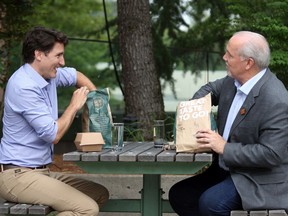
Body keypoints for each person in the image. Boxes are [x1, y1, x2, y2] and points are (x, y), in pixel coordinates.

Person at [169, 31, 288, 216]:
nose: (224, 57)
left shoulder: (276, 98)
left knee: (210, 203)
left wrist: (224, 147)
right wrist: (195, 114)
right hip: (227, 169)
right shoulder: (233, 81)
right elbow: (209, 90)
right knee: (180, 195)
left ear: (248, 63)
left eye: (230, 55)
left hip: (258, 178)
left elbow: (271, 154)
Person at [0, 26, 109, 215]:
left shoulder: (49, 75)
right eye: (58, 56)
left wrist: (96, 103)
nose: (62, 62)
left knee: (98, 194)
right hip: (17, 176)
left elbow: (77, 76)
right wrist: (74, 106)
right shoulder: (23, 86)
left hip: (42, 172)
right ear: (39, 54)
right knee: (87, 208)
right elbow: (53, 135)